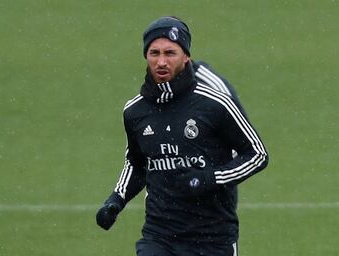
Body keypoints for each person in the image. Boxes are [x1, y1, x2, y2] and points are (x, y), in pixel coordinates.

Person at [96, 16, 269, 256]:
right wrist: (116, 199)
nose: (162, 61)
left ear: (186, 56)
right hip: (159, 236)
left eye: (170, 53)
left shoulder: (215, 103)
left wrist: (211, 178)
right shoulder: (135, 111)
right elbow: (137, 163)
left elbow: (257, 155)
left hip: (213, 238)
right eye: (154, 53)